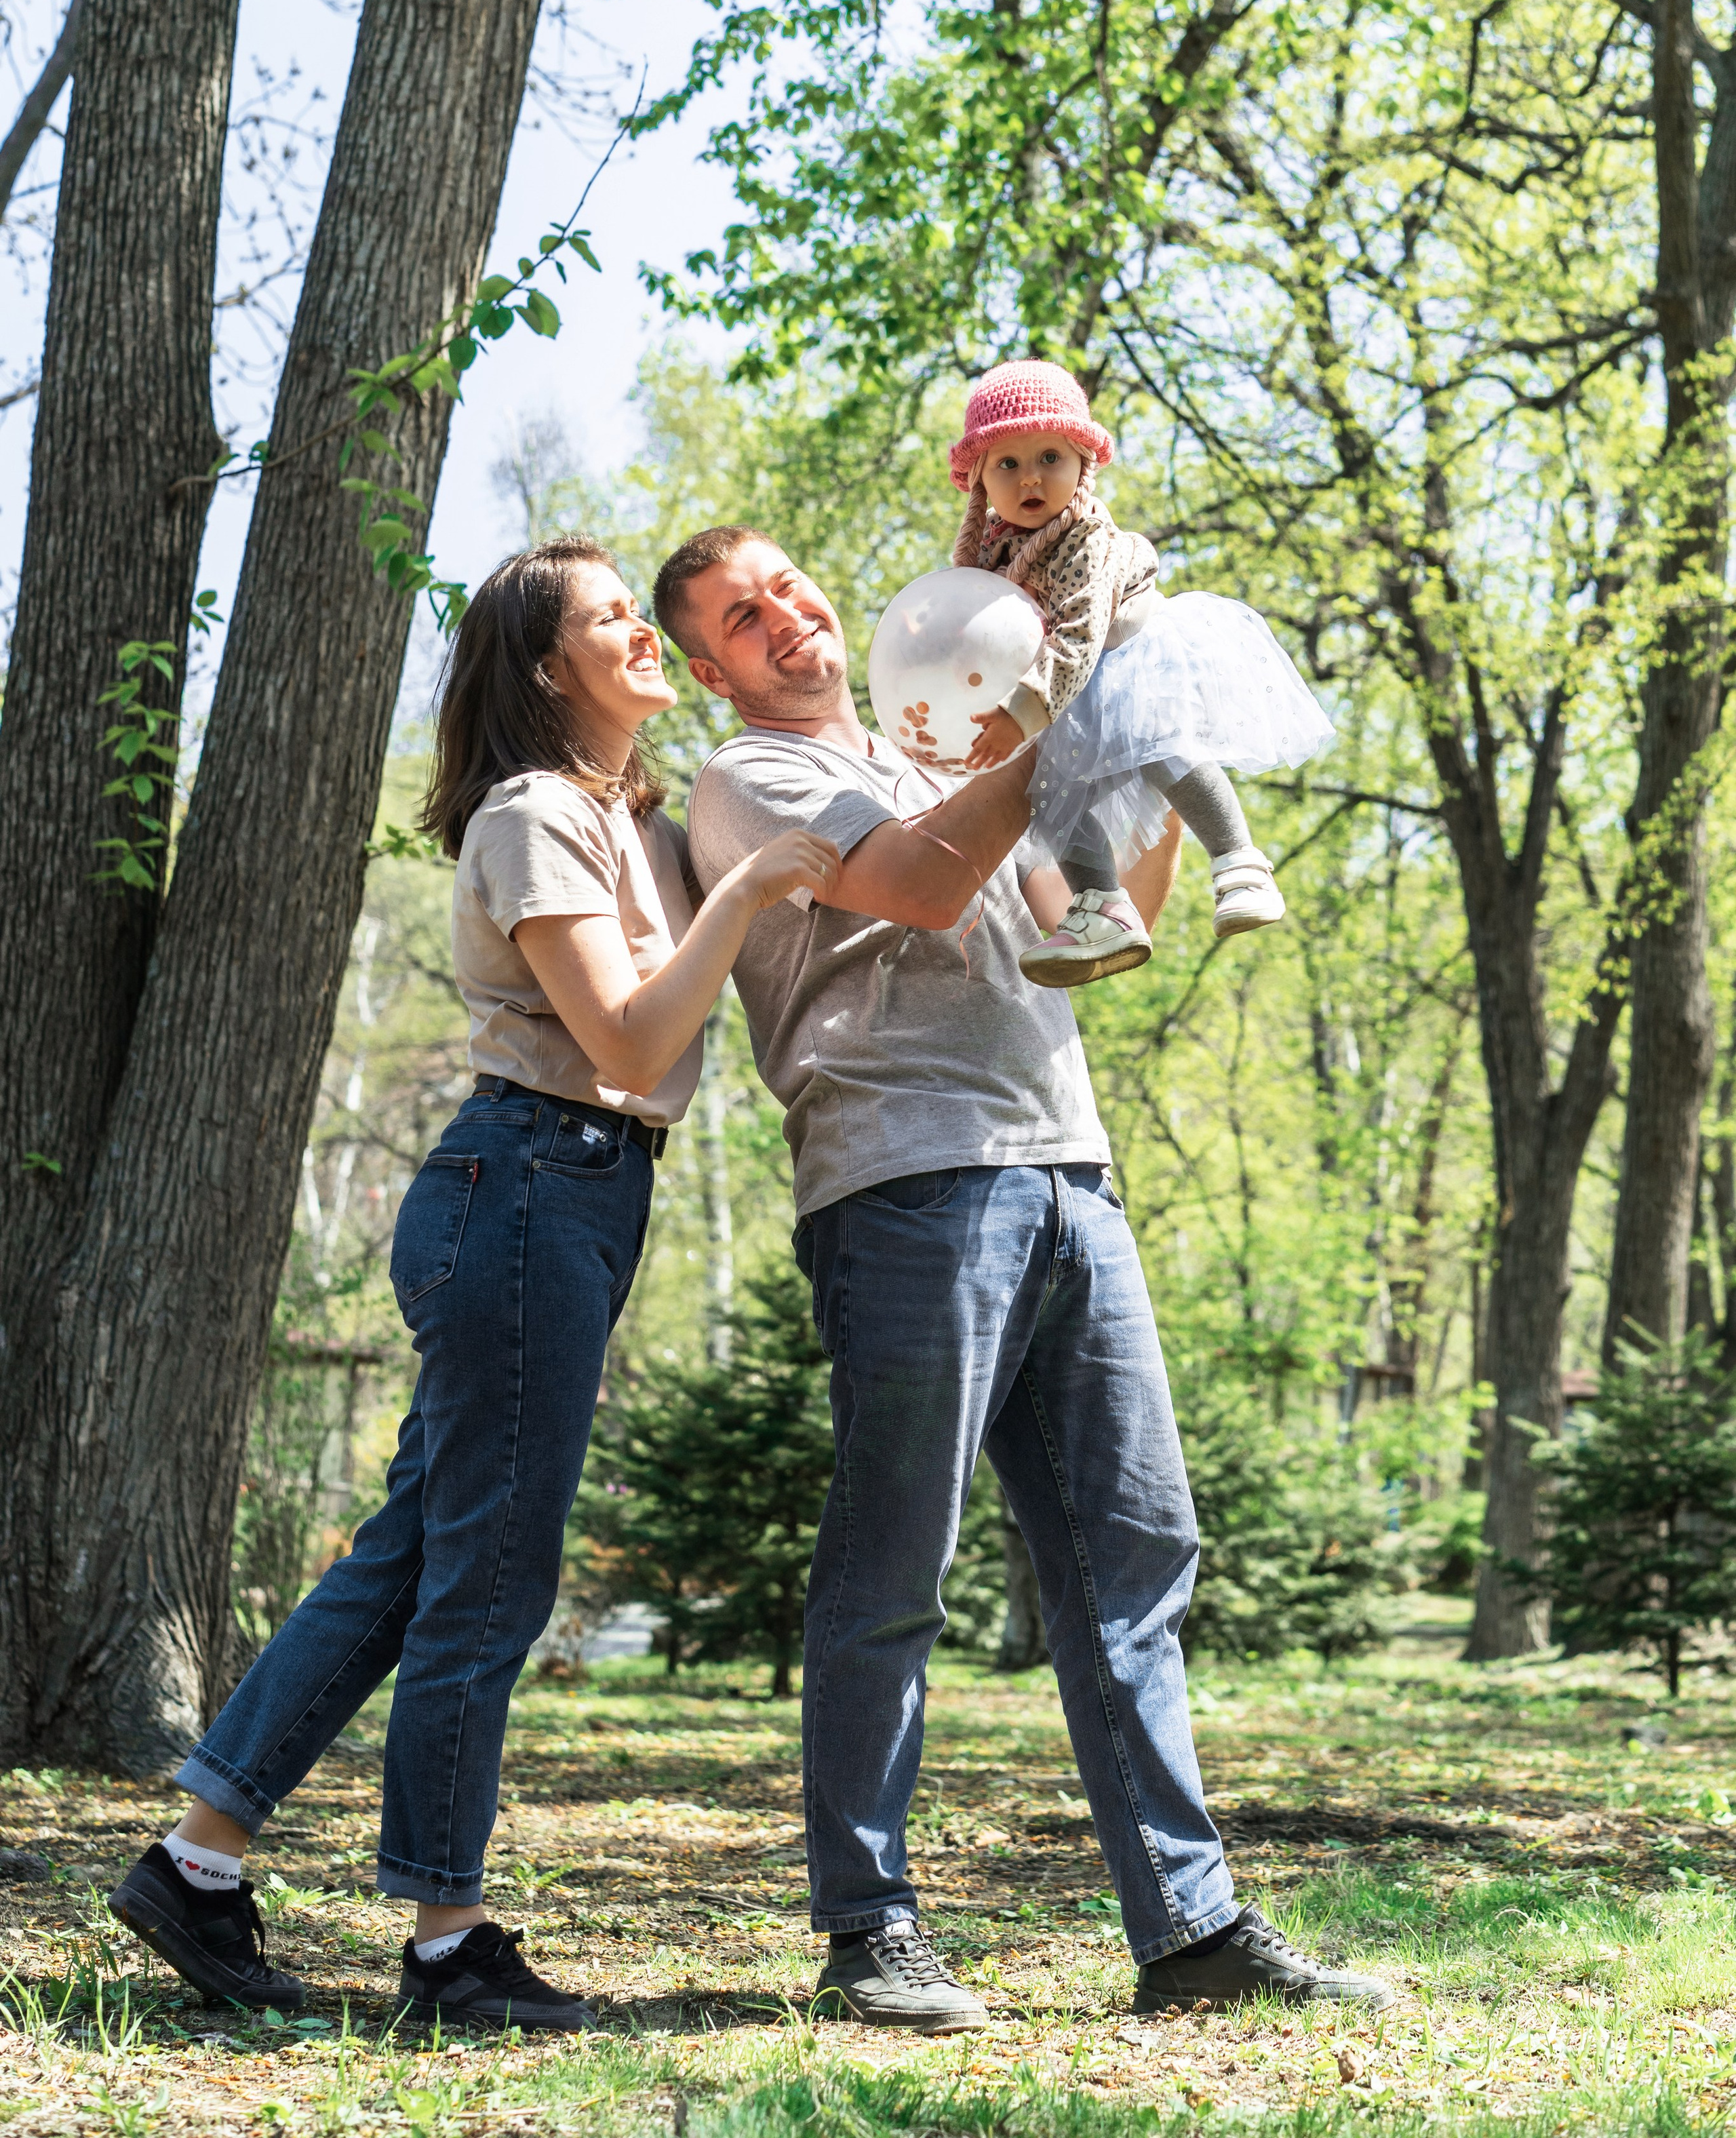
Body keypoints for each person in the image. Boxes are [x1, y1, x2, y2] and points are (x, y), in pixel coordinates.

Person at [652, 524, 1393, 2032]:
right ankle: (868, 1932)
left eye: (794, 587)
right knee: (893, 1569)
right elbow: (921, 886)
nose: (786, 619)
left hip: (1069, 1173)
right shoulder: (750, 783)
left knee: (1135, 1562)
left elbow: (1103, 917)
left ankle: (1188, 1934)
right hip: (907, 1186)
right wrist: (1057, 713)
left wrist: (1135, 726)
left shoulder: (942, 749)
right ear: (704, 665)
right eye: (742, 617)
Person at [110, 536, 837, 2032]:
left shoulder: (630, 818)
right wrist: (752, 886)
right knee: (485, 1584)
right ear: (540, 665)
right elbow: (631, 1042)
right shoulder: (528, 819)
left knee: (407, 1564)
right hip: (521, 1187)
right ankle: (446, 1944)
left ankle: (199, 1859)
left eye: (644, 616)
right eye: (611, 619)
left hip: (574, 1200)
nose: (643, 633)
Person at [947, 358, 1334, 988]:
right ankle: (1103, 909)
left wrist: (1020, 713)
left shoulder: (1086, 538)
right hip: (1063, 687)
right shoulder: (993, 551)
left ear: (1082, 463)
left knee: (1159, 745)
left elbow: (1077, 634)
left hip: (1127, 658)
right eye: (1007, 465)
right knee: (1050, 797)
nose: (1031, 479)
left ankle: (1240, 863)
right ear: (981, 481)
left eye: (1050, 456)